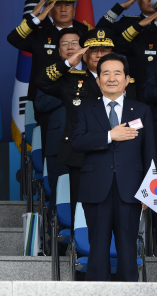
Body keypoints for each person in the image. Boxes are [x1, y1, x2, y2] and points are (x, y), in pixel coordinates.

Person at [72, 53, 155, 282]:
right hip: (96, 188)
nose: (111, 78)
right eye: (105, 73)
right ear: (97, 81)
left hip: (131, 189)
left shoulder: (141, 110)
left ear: (127, 79)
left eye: (117, 73)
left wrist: (149, 191)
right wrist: (110, 135)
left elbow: (149, 152)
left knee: (128, 249)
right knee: (97, 247)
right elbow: (77, 143)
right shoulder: (86, 111)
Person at [35, 28, 127, 232]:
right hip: (80, 155)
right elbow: (41, 81)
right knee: (82, 208)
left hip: (116, 152)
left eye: (105, 50)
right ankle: (80, 250)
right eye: (94, 50)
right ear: (85, 53)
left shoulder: (125, 80)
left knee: (116, 207)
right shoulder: (70, 78)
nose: (99, 54)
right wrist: (69, 62)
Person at [34, 28, 82, 221]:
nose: (70, 47)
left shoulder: (94, 73)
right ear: (58, 50)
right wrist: (71, 95)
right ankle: (57, 241)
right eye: (64, 44)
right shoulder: (50, 74)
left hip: (88, 143)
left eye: (74, 43)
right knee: (59, 193)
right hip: (58, 143)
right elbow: (41, 103)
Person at [96, 0, 157, 102]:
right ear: (138, 0)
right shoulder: (127, 23)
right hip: (135, 93)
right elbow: (100, 32)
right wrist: (119, 8)